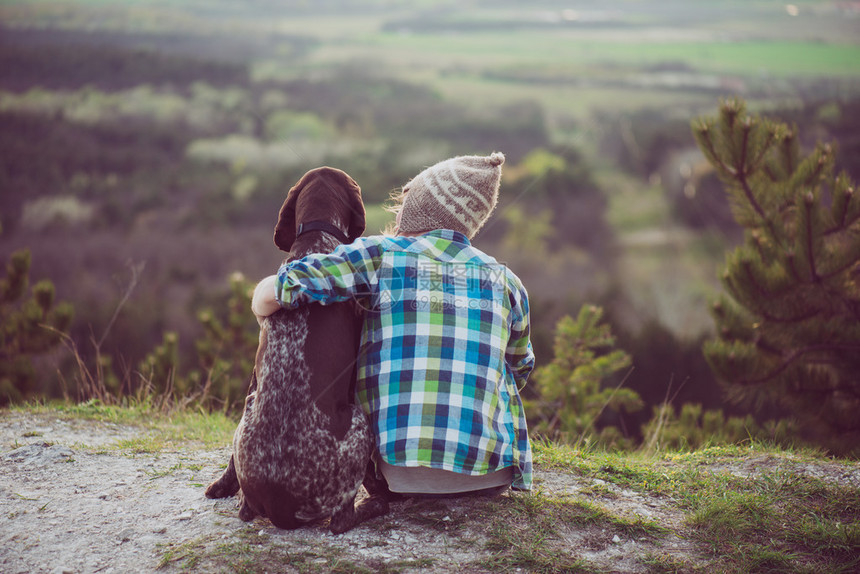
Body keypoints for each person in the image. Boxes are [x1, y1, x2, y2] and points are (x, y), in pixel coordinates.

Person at [251, 152, 534, 496]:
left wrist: (261, 296)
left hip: (399, 478)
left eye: (404, 203)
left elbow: (290, 285)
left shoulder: (381, 254)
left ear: (418, 210)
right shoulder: (506, 281)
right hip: (490, 474)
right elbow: (520, 367)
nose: (397, 212)